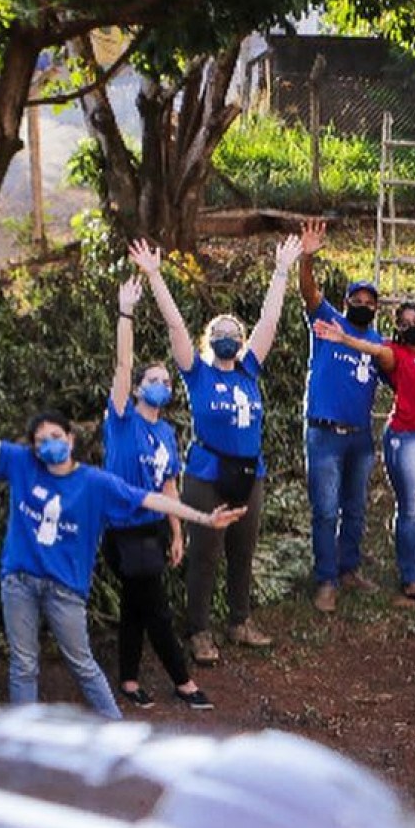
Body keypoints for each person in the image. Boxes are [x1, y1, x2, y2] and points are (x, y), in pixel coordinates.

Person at [0, 361, 245, 715]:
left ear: (71, 439)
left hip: (66, 588)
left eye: (56, 437)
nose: (49, 445)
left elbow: (151, 497)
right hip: (19, 581)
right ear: (33, 447)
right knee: (23, 665)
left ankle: (115, 727)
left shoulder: (94, 483)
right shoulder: (22, 464)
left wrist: (203, 518)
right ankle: (23, 735)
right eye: (41, 440)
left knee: (82, 663)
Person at [130, 232, 302, 665]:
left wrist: (282, 269)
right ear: (209, 341)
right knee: (205, 553)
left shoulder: (248, 370)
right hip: (206, 474)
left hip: (250, 473)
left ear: (241, 341)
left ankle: (239, 621)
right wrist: (154, 276)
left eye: (234, 332)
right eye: (219, 332)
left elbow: (269, 320)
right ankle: (199, 631)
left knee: (242, 550)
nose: (228, 335)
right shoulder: (197, 373)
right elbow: (174, 325)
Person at [311, 242, 415, 604]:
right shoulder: (392, 352)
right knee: (409, 508)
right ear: (397, 330)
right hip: (407, 440)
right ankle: (406, 576)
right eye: (405, 324)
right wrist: (343, 339)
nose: (412, 326)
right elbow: (375, 351)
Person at [105, 275, 213, 710]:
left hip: (153, 528)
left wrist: (176, 531)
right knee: (157, 610)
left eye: (167, 381)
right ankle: (183, 681)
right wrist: (125, 312)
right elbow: (123, 364)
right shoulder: (121, 418)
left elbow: (169, 483)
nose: (162, 384)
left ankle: (128, 681)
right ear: (137, 389)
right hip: (123, 530)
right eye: (154, 379)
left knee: (134, 608)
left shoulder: (167, 432)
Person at [297, 217, 384, 612]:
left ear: (376, 309)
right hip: (325, 434)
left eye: (370, 302)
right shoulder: (328, 322)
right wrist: (307, 258)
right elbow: (309, 293)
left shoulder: (378, 343)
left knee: (356, 507)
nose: (363, 305)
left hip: (361, 437)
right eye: (357, 300)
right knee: (326, 510)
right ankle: (326, 580)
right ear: (346, 302)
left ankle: (349, 568)